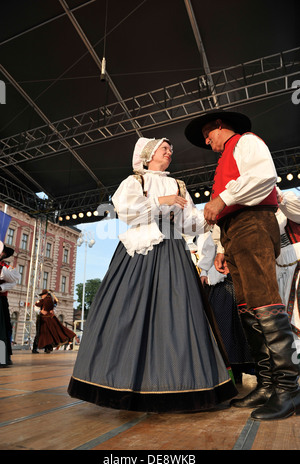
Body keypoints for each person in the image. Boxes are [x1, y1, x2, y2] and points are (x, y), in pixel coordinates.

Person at [68, 137, 237, 413]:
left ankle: (182, 385)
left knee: (179, 311)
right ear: (147, 155)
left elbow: (190, 222)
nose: (169, 152)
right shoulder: (135, 181)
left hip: (172, 249)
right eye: (164, 148)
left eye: (170, 149)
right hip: (141, 251)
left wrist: (210, 214)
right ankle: (118, 383)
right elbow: (126, 211)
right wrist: (161, 201)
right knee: (129, 310)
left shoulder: (178, 185)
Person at [185, 111, 300, 420]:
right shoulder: (224, 161)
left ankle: (289, 390)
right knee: (248, 309)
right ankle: (266, 385)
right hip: (236, 232)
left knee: (265, 304)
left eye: (208, 133)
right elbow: (223, 211)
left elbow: (264, 178)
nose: (206, 140)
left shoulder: (246, 142)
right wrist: (221, 246)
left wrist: (222, 199)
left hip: (252, 224)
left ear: (222, 127)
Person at [197, 227, 255, 383]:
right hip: (221, 284)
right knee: (223, 329)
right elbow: (209, 251)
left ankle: (252, 369)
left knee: (244, 326)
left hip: (241, 280)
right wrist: (203, 272)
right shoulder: (213, 232)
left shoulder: (242, 226)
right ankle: (231, 372)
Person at [276, 189, 300, 357]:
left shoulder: (288, 200)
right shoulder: (263, 216)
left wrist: (280, 199)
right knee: (286, 318)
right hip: (279, 272)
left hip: (297, 266)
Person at [34, 289, 76, 353]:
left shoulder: (42, 301)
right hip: (51, 319)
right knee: (51, 333)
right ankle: (47, 348)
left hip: (43, 320)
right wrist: (51, 312)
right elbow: (54, 309)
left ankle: (36, 348)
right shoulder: (52, 301)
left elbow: (36, 308)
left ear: (45, 295)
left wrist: (41, 311)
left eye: (42, 295)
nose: (41, 296)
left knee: (40, 334)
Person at [0, 242, 20, 366]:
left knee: (3, 329)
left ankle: (2, 357)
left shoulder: (5, 267)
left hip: (0, 302)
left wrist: (1, 287)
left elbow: (14, 281)